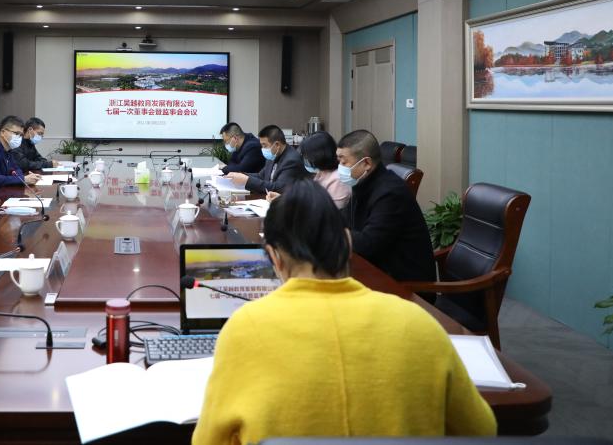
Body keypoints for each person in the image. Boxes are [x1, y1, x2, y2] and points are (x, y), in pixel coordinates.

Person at [192, 180, 496, 444]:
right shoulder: (417, 323)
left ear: (274, 257)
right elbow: (481, 430)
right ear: (347, 242)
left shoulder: (245, 329)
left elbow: (209, 439)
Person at [336, 129, 435, 283]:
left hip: (403, 283)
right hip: (376, 268)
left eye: (344, 162)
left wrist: (331, 230)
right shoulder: (363, 183)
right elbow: (346, 219)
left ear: (366, 163)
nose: (340, 167)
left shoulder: (391, 193)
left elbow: (368, 244)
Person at [268, 131, 351, 209]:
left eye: (307, 156)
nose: (306, 159)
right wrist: (283, 199)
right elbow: (308, 201)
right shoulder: (321, 173)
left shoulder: (338, 179)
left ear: (319, 155)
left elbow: (327, 212)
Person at [224, 125, 306, 194]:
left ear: (277, 145)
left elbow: (278, 188)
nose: (262, 149)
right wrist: (240, 175)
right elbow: (261, 176)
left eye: (264, 145)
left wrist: (247, 181)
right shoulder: (273, 154)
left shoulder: (291, 160)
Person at [0, 115, 41, 186]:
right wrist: (23, 179)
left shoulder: (9, 150)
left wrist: (24, 178)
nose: (19, 137)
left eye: (21, 135)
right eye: (16, 133)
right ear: (3, 132)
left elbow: (17, 169)